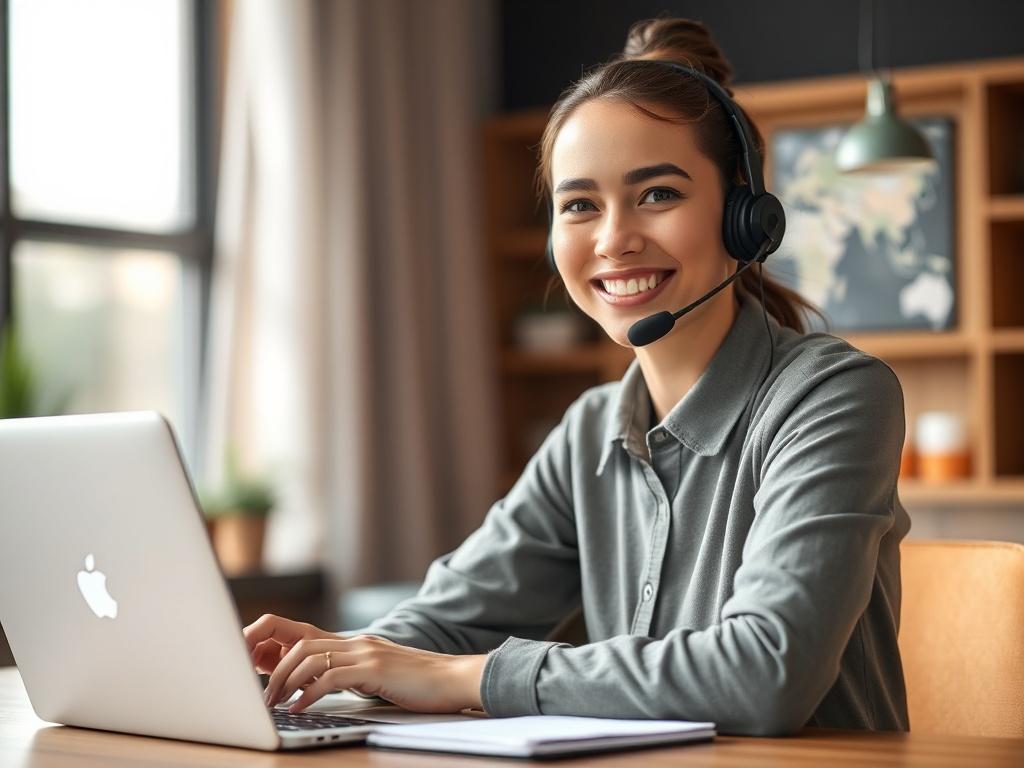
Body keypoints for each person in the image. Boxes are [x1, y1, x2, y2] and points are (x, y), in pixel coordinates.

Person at [244, 17, 911, 736]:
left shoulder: (834, 396)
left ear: (746, 219)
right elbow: (445, 620)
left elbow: (764, 675)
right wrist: (335, 662)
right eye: (580, 205)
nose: (613, 239)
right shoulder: (591, 430)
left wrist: (463, 677)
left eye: (658, 194)